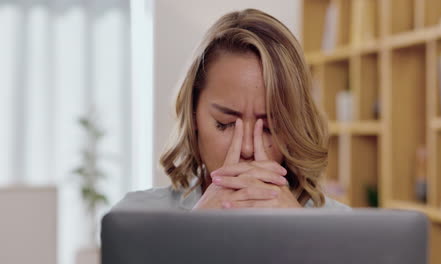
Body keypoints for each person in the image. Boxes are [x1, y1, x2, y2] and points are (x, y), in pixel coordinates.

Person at [115, 8, 349, 211]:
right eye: (225, 124)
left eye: (269, 128)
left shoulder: (340, 228)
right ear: (193, 115)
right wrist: (193, 235)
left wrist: (301, 238)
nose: (246, 148)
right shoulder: (136, 216)